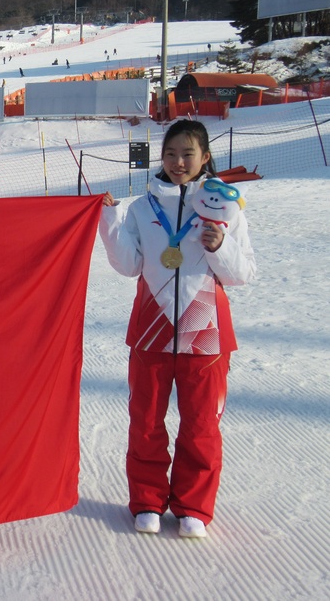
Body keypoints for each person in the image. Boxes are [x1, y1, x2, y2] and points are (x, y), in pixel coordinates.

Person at [98, 119, 256, 539]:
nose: (178, 162)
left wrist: (219, 247)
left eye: (188, 154)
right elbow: (130, 265)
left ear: (205, 157)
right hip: (151, 328)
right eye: (170, 154)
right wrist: (109, 222)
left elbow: (243, 273)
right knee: (146, 420)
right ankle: (148, 500)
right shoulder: (142, 208)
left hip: (205, 331)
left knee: (201, 423)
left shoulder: (224, 209)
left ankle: (193, 507)